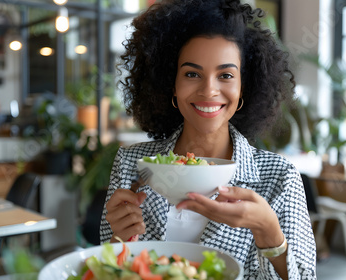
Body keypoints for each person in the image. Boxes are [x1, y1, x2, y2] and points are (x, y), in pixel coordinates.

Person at [100, 0, 317, 278]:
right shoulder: (132, 164)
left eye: (226, 75)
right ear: (172, 85)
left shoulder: (279, 177)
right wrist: (119, 239)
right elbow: (107, 266)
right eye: (192, 74)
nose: (209, 90)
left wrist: (269, 232)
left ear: (243, 89)